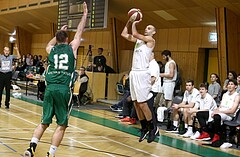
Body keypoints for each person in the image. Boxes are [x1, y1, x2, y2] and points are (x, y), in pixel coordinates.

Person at [23, 2, 88, 157]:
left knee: (44, 122)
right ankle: (50, 154)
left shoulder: (51, 49)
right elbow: (79, 31)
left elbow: (49, 43)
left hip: (50, 88)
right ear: (67, 39)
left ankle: (31, 147)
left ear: (57, 39)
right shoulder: (72, 48)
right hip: (63, 89)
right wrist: (84, 15)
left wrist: (59, 32)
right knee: (61, 125)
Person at [121, 17, 158, 143]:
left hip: (143, 74)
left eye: (149, 28)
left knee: (143, 103)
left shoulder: (151, 40)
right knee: (136, 104)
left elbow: (135, 33)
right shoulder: (138, 41)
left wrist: (134, 22)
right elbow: (124, 34)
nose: (147, 29)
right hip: (134, 73)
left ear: (154, 32)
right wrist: (129, 21)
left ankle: (153, 128)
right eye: (146, 27)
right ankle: (144, 128)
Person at [196, 79, 240, 144]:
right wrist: (215, 111)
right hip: (220, 112)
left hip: (229, 115)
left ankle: (217, 135)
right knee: (200, 114)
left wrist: (219, 112)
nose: (229, 86)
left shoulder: (237, 96)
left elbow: (232, 111)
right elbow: (220, 107)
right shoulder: (225, 94)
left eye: (232, 84)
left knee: (217, 116)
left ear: (235, 86)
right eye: (228, 84)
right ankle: (206, 132)